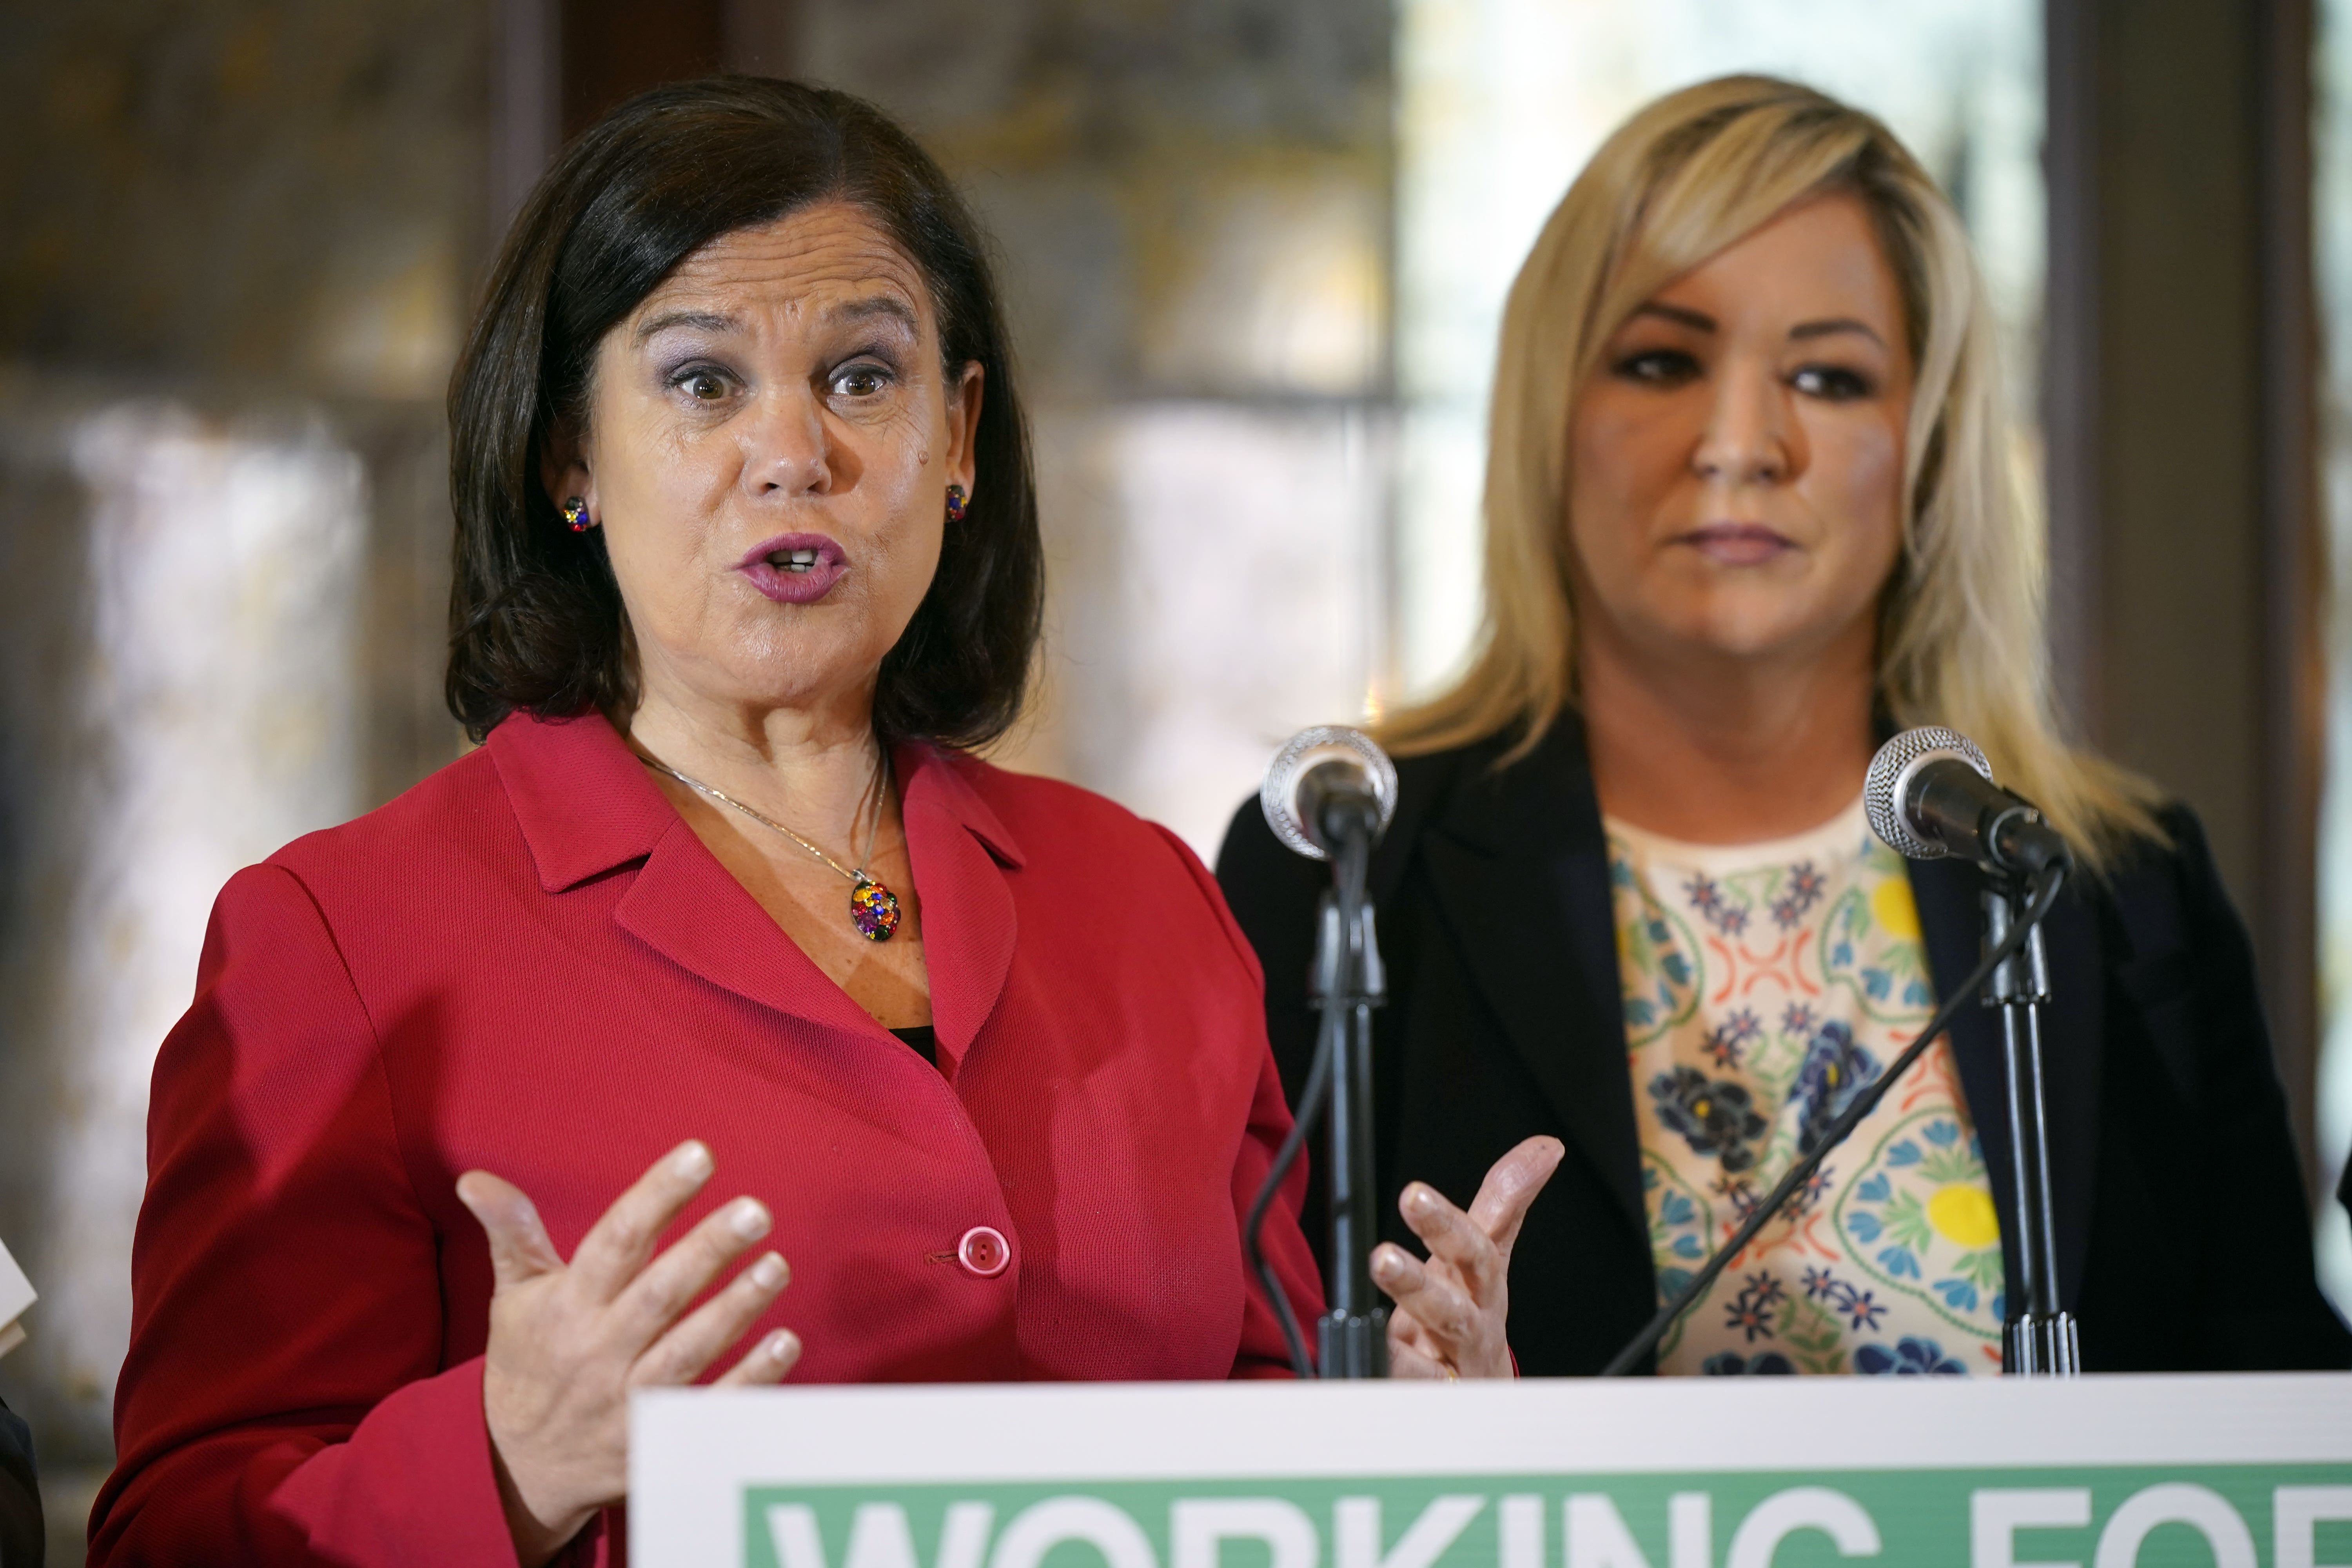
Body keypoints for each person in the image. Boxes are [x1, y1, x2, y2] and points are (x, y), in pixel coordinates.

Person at [93, 79, 1555, 1568]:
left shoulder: (1144, 898)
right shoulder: (345, 938)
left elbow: (1253, 1425)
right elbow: (171, 1537)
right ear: (568, 459)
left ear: (960, 438)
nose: (794, 452)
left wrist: (1405, 1440)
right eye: (702, 383)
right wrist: (508, 1463)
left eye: (863, 377)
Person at [1220, 75, 2352, 1379]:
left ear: (1926, 449)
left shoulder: (2107, 885)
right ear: (1547, 417)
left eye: (1827, 376)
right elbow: (1229, 1385)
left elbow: (2278, 1409)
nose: (1740, 441)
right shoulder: (1347, 860)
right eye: (1662, 361)